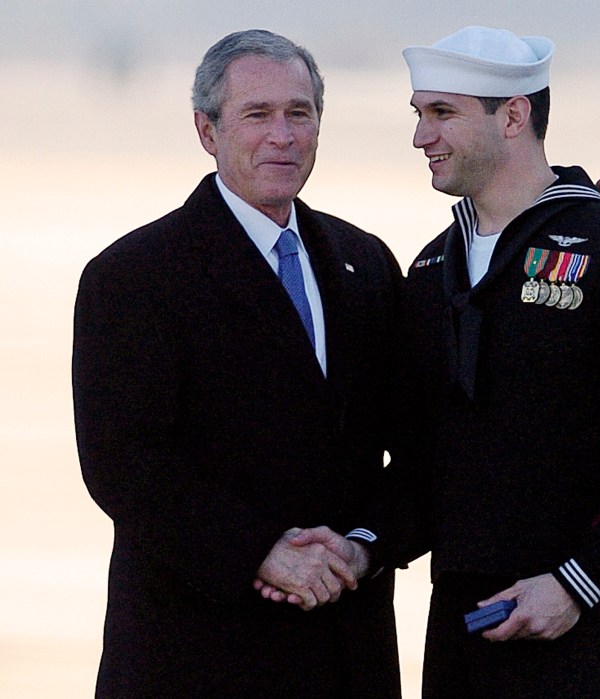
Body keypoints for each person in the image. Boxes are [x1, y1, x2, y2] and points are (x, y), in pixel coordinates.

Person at [278, 26, 600, 698]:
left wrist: (578, 583)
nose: (420, 137)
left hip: (575, 626)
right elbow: (422, 462)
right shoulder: (433, 269)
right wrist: (363, 544)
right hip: (459, 622)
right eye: (418, 114)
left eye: (443, 114)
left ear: (514, 115)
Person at [72, 29, 402, 697]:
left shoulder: (366, 263)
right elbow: (125, 462)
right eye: (257, 115)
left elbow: (422, 439)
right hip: (194, 653)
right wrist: (261, 551)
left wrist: (363, 546)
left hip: (345, 653)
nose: (282, 134)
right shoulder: (134, 276)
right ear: (206, 129)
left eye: (299, 113)